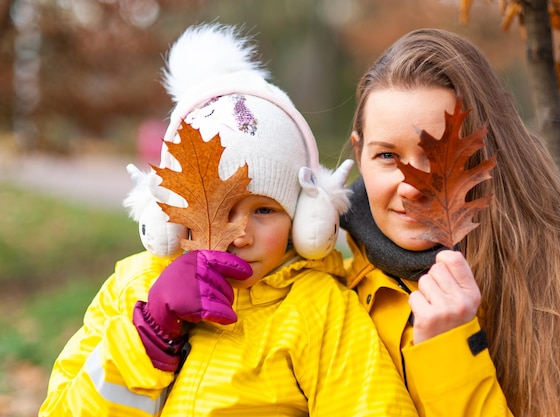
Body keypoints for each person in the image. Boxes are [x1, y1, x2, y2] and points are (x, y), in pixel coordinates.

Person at [39, 23, 418, 417]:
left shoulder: (320, 312)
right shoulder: (131, 289)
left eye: (265, 210)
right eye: (216, 207)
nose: (239, 235)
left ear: (303, 221)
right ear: (169, 212)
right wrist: (148, 334)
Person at [340, 28, 560, 417]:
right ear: (360, 153)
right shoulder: (329, 292)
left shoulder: (551, 301)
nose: (412, 186)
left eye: (438, 157)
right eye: (388, 156)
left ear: (485, 154)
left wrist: (451, 350)